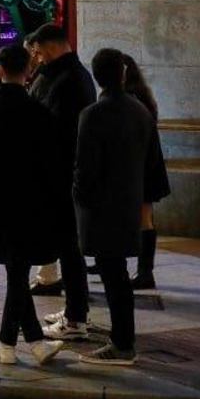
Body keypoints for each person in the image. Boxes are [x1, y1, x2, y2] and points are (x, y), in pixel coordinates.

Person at [0, 44, 65, 367]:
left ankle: (17, 343)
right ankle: (20, 343)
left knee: (15, 270)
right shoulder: (41, 113)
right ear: (28, 72)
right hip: (32, 202)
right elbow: (52, 165)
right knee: (18, 271)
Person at [72, 48, 168, 366]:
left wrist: (79, 198)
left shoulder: (93, 115)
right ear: (123, 73)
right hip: (129, 203)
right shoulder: (140, 111)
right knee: (117, 276)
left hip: (101, 207)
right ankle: (122, 339)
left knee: (113, 276)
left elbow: (85, 168)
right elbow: (153, 161)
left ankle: (122, 343)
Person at [27, 24, 98, 342]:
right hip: (61, 173)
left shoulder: (68, 80)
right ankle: (74, 308)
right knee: (68, 246)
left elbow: (54, 128)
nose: (37, 59)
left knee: (69, 246)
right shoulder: (67, 75)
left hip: (62, 175)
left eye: (39, 53)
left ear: (50, 47)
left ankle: (75, 317)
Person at [123, 56, 169, 290]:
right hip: (149, 166)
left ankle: (144, 273)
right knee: (144, 218)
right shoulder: (144, 98)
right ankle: (143, 270)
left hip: (140, 168)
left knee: (143, 219)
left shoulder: (130, 101)